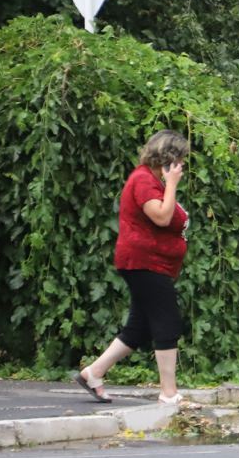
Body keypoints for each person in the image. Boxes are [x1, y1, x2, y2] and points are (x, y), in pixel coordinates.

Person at [74, 130, 192, 405]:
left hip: (151, 263)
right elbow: (162, 218)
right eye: (180, 159)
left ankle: (93, 373)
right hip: (144, 262)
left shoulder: (151, 180)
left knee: (138, 328)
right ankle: (169, 392)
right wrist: (172, 183)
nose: (182, 165)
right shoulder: (143, 181)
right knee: (167, 321)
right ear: (168, 158)